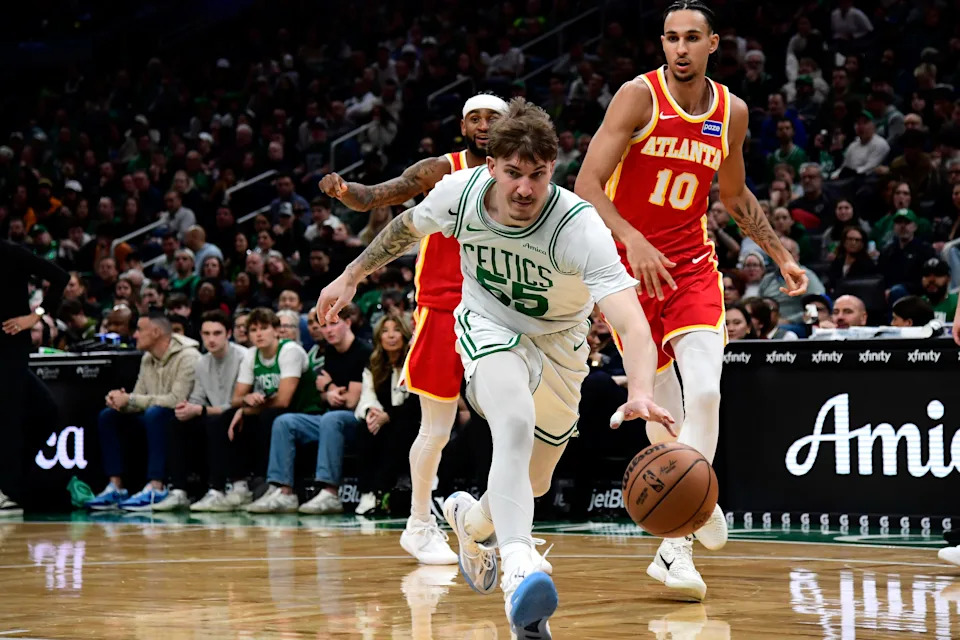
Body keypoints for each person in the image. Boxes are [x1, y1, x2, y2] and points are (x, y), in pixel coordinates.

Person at [316, 97, 672, 638]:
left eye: (537, 174)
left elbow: (632, 322)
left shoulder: (579, 227)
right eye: (512, 174)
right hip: (487, 325)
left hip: (559, 343)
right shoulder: (460, 194)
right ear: (491, 167)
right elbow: (404, 228)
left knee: (536, 479)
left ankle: (471, 519)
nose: (525, 189)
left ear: (553, 169)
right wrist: (349, 275)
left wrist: (642, 388)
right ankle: (519, 568)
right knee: (511, 421)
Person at [574, 0, 808, 601]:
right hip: (627, 272)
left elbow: (734, 194)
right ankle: (695, 496)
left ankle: (676, 543)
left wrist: (780, 254)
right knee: (666, 414)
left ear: (713, 44)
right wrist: (633, 239)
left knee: (706, 388)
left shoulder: (731, 111)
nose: (680, 48)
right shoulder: (638, 96)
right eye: (671, 38)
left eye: (692, 38)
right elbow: (586, 185)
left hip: (693, 268)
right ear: (663, 44)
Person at [318, 93, 509, 565]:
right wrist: (345, 191)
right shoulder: (442, 170)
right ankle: (420, 523)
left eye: (493, 118)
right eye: (474, 119)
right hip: (444, 310)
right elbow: (379, 197)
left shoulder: (524, 174)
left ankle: (500, 522)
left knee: (515, 424)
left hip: (502, 315)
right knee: (436, 429)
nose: (483, 125)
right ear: (464, 127)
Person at [245, 304, 369, 515]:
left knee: (332, 419)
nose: (327, 330)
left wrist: (330, 389)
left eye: (333, 324)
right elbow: (322, 394)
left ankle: (329, 492)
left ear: (348, 323)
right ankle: (283, 491)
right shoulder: (330, 351)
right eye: (324, 326)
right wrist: (329, 393)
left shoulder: (362, 351)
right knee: (285, 422)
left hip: (358, 419)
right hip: (330, 416)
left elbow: (351, 401)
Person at [84, 311, 200, 510]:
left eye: (139, 329)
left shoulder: (189, 356)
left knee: (156, 414)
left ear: (155, 332)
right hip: (153, 416)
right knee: (109, 416)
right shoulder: (147, 358)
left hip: (184, 419)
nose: (134, 335)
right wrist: (119, 401)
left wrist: (131, 399)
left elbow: (176, 400)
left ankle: (157, 487)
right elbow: (138, 398)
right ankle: (116, 487)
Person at [0, 239, 70, 515]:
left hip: (10, 347)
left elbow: (60, 277)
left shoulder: (10, 252)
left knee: (37, 413)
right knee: (26, 413)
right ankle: (10, 487)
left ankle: (10, 487)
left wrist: (36, 315)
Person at [163, 311, 251, 512]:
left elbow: (239, 403)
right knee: (176, 422)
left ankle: (217, 490)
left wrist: (201, 409)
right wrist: (186, 408)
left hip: (238, 415)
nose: (211, 339)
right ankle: (178, 490)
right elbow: (197, 398)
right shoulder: (202, 362)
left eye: (217, 333)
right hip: (213, 414)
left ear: (228, 333)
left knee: (217, 420)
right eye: (206, 333)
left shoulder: (244, 357)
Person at [228, 308, 322, 489]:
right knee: (228, 416)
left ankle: (268, 482)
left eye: (264, 328)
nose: (258, 334)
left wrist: (246, 409)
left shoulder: (289, 351)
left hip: (304, 411)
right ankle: (238, 485)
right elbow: (236, 399)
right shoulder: (251, 354)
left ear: (277, 330)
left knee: (266, 417)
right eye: (253, 330)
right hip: (273, 410)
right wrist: (247, 399)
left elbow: (283, 401)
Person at [353, 316, 422, 515]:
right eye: (385, 331)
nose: (391, 335)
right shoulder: (373, 364)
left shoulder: (413, 361)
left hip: (410, 421)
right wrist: (372, 413)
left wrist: (388, 415)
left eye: (396, 330)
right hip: (383, 420)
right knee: (364, 428)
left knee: (400, 429)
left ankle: (381, 489)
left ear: (404, 334)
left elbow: (415, 403)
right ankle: (367, 492)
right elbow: (368, 396)